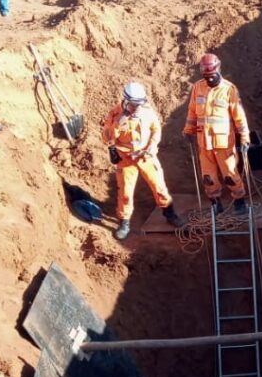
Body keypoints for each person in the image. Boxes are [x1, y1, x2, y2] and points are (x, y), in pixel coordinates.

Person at [102, 82, 183, 241]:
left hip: (146, 156)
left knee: (159, 186)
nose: (137, 108)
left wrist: (152, 147)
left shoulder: (147, 112)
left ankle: (169, 213)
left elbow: (156, 130)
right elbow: (106, 137)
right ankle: (124, 223)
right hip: (126, 159)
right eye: (133, 105)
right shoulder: (114, 115)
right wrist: (119, 124)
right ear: (126, 102)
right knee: (125, 192)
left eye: (139, 104)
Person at [183, 53, 251, 216]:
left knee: (229, 174)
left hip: (223, 143)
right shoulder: (198, 88)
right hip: (203, 142)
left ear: (218, 69)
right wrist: (188, 130)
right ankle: (215, 202)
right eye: (206, 76)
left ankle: (239, 200)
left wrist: (244, 136)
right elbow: (192, 112)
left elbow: (238, 116)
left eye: (212, 75)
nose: (209, 79)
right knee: (208, 177)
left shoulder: (229, 89)